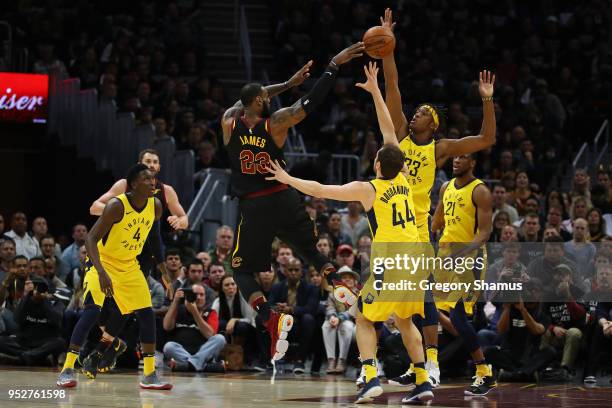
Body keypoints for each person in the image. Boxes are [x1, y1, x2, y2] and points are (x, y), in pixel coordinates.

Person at [266, 61, 433, 404]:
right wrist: (375, 93)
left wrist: (288, 179)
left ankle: (370, 375)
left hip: (393, 259)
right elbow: (388, 132)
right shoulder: (403, 178)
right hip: (416, 258)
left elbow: (322, 189)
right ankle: (423, 381)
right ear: (399, 164)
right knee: (404, 321)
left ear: (376, 165)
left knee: (361, 316)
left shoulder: (367, 189)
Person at [221, 42, 364, 364]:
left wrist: (284, 84)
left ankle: (269, 317)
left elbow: (245, 100)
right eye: (266, 97)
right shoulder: (278, 123)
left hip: (254, 206)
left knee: (242, 270)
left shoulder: (229, 121)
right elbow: (310, 102)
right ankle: (340, 285)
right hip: (283, 197)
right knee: (312, 253)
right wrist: (332, 66)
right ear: (261, 101)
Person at [380, 8, 496, 387]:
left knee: (423, 295)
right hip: (395, 224)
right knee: (404, 300)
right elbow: (393, 87)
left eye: (423, 114)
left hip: (418, 230)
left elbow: (486, 140)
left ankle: (432, 363)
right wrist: (387, 46)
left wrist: (487, 100)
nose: (415, 116)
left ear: (435, 124)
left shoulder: (442, 148)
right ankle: (422, 364)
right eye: (415, 113)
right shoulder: (399, 132)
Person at [57, 164, 171, 390]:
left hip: (129, 265)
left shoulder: (156, 205)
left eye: (154, 179)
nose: (153, 182)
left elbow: (155, 240)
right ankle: (67, 369)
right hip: (102, 262)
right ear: (134, 184)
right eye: (147, 179)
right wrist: (100, 272)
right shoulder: (117, 206)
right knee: (92, 312)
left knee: (147, 314)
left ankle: (149, 375)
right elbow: (90, 239)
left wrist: (164, 271)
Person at [431, 153, 495, 396]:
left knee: (458, 317)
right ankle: (426, 366)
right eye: (455, 156)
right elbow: (436, 222)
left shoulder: (480, 191)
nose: (457, 160)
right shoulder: (446, 187)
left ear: (473, 163)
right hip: (446, 255)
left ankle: (484, 373)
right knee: (424, 308)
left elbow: (485, 233)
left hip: (471, 257)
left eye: (464, 157)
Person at [163, 284, 226, 372]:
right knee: (168, 346)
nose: (199, 297)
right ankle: (204, 366)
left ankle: (189, 365)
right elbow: (167, 326)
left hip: (203, 352)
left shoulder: (210, 312)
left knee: (220, 338)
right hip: (181, 351)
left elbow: (209, 335)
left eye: (202, 295)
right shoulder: (179, 309)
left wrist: (195, 312)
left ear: (205, 297)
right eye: (196, 294)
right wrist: (175, 302)